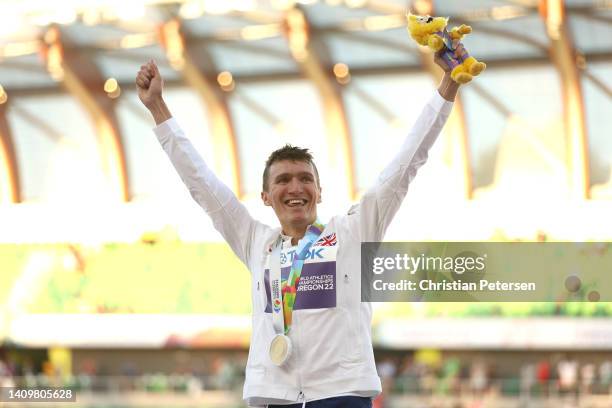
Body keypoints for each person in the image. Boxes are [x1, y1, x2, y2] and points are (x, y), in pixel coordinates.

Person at [135, 52, 459, 407]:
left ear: (319, 191)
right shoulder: (256, 242)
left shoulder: (351, 233)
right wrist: (157, 108)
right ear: (265, 196)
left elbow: (405, 164)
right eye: (283, 180)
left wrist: (449, 84)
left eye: (306, 179)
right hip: (275, 395)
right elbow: (201, 183)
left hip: (342, 394)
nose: (295, 188)